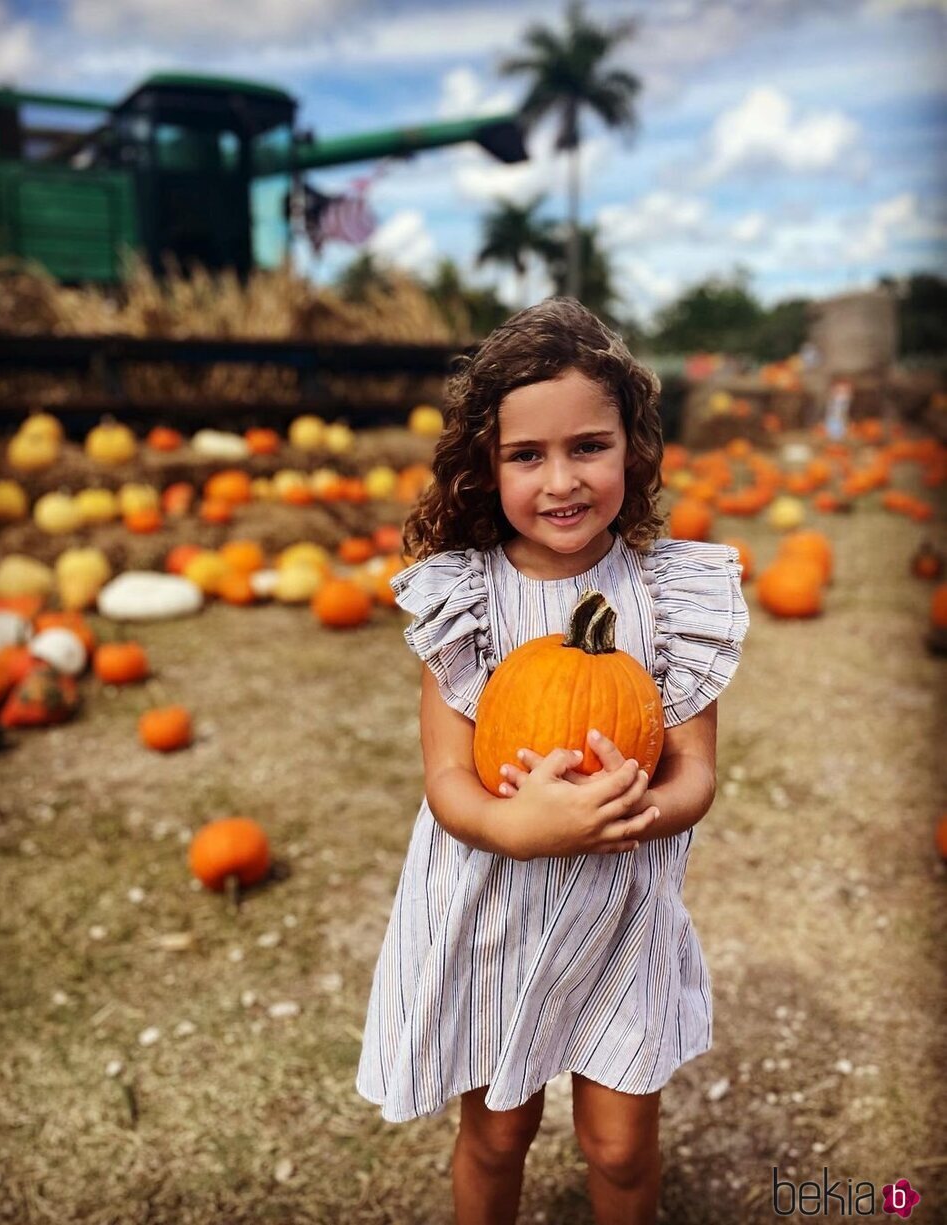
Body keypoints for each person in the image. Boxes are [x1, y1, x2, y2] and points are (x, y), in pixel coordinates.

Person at [356, 297, 749, 1224]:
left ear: (633, 449)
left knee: (618, 1146)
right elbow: (448, 778)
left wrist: (628, 816)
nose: (560, 480)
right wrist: (512, 823)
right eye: (526, 455)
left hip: (621, 912)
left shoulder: (667, 596)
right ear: (485, 466)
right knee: (497, 1134)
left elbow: (694, 770)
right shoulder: (469, 599)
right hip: (496, 914)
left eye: (589, 446)